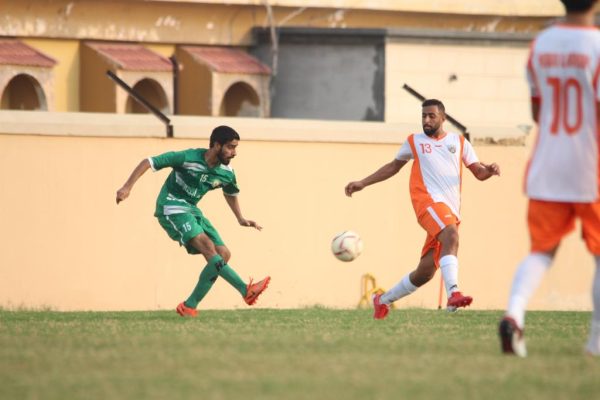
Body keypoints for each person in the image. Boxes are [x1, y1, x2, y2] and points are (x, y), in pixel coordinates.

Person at [499, 0, 600, 357]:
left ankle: (514, 314)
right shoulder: (597, 45)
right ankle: (596, 341)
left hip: (547, 164)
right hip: (590, 166)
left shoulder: (540, 44)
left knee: (541, 251)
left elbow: (538, 109)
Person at [345, 99, 500, 319]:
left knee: (425, 272)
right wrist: (363, 182)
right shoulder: (414, 141)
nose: (426, 120)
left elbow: (479, 173)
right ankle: (454, 294)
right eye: (423, 116)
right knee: (451, 236)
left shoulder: (459, 142)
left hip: (449, 211)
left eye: (431, 116)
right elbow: (393, 167)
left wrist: (490, 171)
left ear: (443, 118)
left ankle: (382, 300)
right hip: (427, 203)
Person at [116, 125, 270, 317]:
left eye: (235, 148)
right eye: (230, 147)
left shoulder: (227, 172)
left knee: (223, 254)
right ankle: (245, 290)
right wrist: (127, 187)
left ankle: (189, 306)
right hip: (171, 206)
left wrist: (240, 218)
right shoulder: (188, 157)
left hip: (191, 209)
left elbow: (230, 192)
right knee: (207, 246)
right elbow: (149, 161)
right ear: (217, 145)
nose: (234, 153)